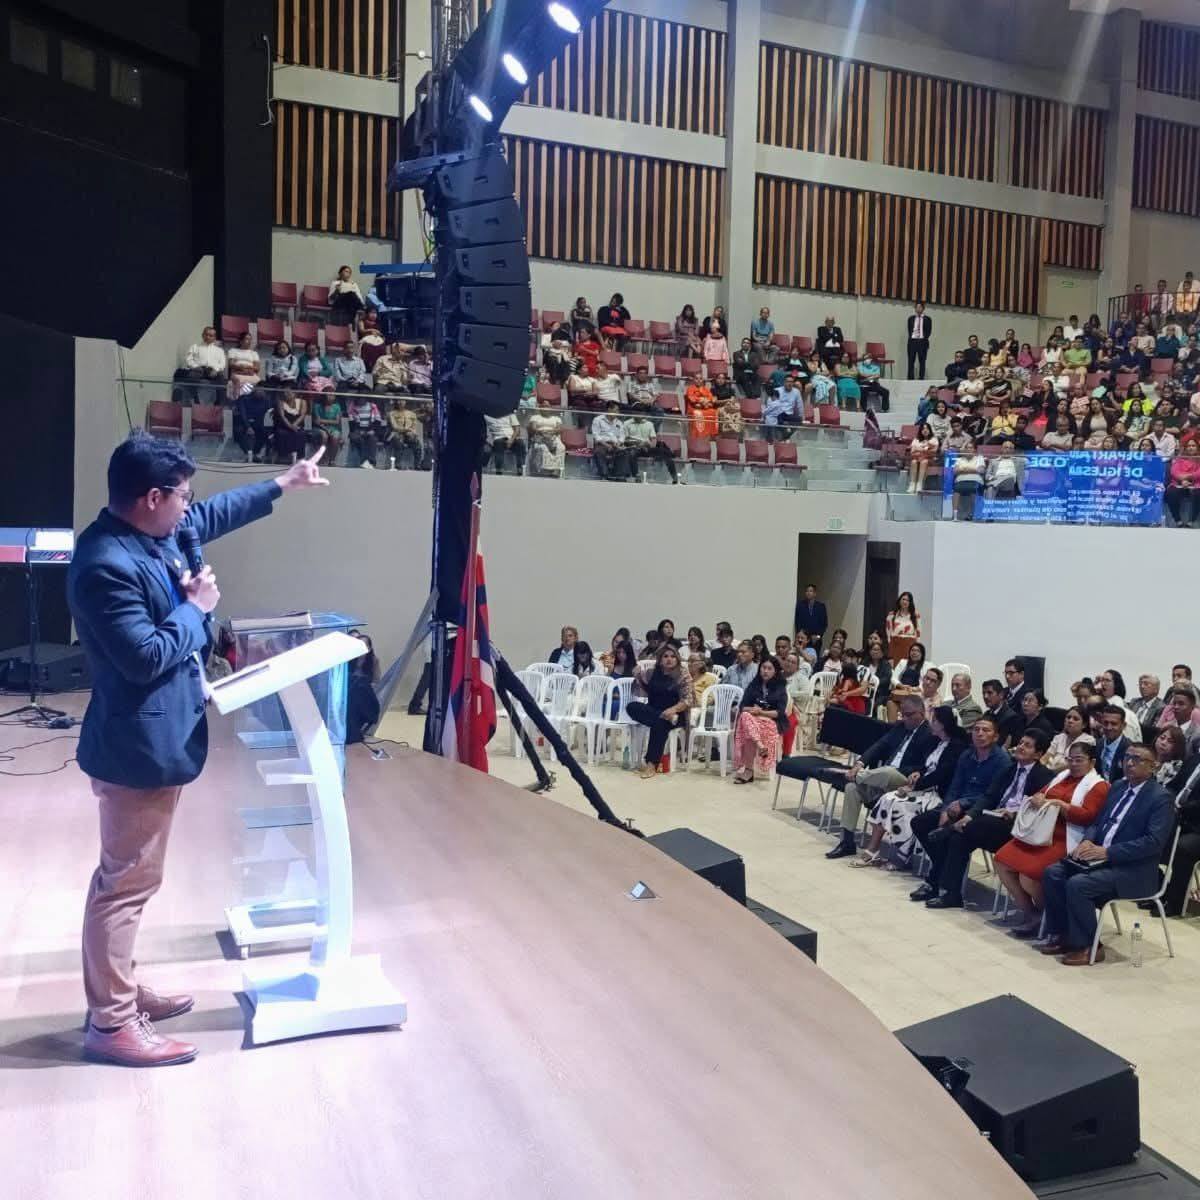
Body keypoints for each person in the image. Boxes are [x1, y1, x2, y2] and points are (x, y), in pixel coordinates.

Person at [67, 432, 328, 1066]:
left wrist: (283, 483)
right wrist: (196, 609)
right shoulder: (104, 563)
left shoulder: (153, 532)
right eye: (182, 495)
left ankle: (119, 990)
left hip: (156, 737)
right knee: (125, 885)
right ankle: (112, 1022)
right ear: (152, 498)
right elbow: (143, 657)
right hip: (135, 746)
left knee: (132, 878)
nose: (191, 506)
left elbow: (213, 514)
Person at [1039, 744, 1173, 964]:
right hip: (1101, 859)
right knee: (1053, 873)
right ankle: (1064, 935)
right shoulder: (1118, 786)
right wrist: (1087, 840)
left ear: (1153, 767)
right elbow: (1097, 822)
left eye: (1137, 759)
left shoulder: (1160, 798)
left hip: (1133, 870)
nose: (1130, 763)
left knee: (1078, 885)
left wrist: (1107, 852)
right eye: (1127, 757)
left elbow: (1153, 843)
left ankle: (1089, 946)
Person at [921, 730, 1056, 910]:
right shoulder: (1009, 769)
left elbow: (1037, 811)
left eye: (1027, 745)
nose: (1021, 747)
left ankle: (950, 832)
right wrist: (969, 816)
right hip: (992, 819)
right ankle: (951, 894)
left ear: (1038, 754)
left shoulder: (1045, 777)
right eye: (1021, 743)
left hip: (1015, 826)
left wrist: (1014, 813)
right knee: (958, 839)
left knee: (969, 828)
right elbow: (989, 797)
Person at [993, 739, 1109, 936]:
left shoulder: (1098, 786)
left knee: (1028, 875)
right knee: (1001, 860)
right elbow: (1040, 794)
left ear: (1092, 762)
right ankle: (1031, 913)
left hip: (1067, 837)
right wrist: (1038, 798)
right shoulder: (1062, 776)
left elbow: (1088, 817)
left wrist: (1060, 805)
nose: (1073, 764)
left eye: (1079, 760)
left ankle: (1052, 916)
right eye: (1070, 759)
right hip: (1040, 832)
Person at [908, 716, 1014, 903]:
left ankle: (943, 887)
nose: (980, 733)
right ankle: (940, 872)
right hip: (955, 806)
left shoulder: (1002, 761)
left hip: (980, 811)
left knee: (954, 836)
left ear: (996, 736)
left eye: (986, 730)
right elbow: (955, 786)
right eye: (976, 729)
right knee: (920, 822)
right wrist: (945, 809)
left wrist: (963, 803)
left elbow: (992, 795)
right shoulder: (967, 755)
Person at [824, 697, 936, 860]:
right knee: (852, 789)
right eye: (902, 714)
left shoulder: (929, 733)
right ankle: (847, 842)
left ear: (921, 713)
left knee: (888, 772)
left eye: (909, 715)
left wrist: (902, 772)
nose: (905, 718)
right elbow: (879, 745)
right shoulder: (900, 727)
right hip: (883, 778)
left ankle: (850, 775)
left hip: (905, 781)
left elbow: (925, 766)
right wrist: (859, 764)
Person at [627, 645, 694, 778]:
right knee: (631, 706)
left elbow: (688, 700)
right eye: (665, 656)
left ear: (677, 659)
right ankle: (661, 717)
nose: (669, 659)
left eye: (673, 656)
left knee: (660, 724)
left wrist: (673, 710)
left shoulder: (683, 674)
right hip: (655, 711)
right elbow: (642, 692)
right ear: (660, 659)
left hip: (676, 714)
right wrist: (638, 676)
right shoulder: (652, 672)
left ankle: (652, 764)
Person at [731, 656, 790, 783]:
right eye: (763, 667)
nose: (765, 671)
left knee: (747, 727)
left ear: (775, 671)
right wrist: (753, 710)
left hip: (771, 723)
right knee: (745, 717)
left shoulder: (780, 687)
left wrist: (761, 712)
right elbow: (742, 707)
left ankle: (748, 771)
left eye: (769, 668)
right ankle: (760, 746)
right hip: (753, 721)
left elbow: (779, 713)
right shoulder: (754, 685)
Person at [173, 326, 227, 404]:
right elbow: (189, 359)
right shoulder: (195, 347)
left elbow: (222, 364)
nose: (208, 337)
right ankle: (195, 399)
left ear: (214, 337)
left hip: (213, 371)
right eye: (206, 334)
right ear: (202, 335)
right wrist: (195, 367)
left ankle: (219, 403)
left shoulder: (219, 350)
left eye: (211, 335)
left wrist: (216, 370)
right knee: (191, 376)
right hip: (198, 370)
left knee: (221, 379)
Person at [624, 408, 679, 484]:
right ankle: (636, 476)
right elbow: (626, 439)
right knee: (632, 453)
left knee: (665, 452)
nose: (639, 415)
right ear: (633, 413)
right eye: (636, 413)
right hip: (634, 446)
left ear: (643, 414)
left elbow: (653, 439)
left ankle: (675, 478)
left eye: (640, 413)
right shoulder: (627, 423)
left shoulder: (649, 424)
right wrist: (637, 444)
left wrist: (650, 445)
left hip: (647, 447)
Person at [1044, 706, 1095, 772]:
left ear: (1084, 725)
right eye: (1068, 717)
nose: (1070, 721)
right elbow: (1046, 757)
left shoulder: (1088, 740)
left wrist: (1050, 772)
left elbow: (1070, 765)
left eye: (1075, 719)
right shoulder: (1059, 737)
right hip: (1049, 772)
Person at [232, 386, 272, 462]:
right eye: (258, 389)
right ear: (254, 389)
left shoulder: (266, 400)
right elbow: (243, 414)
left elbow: (269, 413)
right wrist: (248, 427)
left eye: (262, 390)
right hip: (244, 422)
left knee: (266, 432)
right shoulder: (244, 398)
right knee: (238, 431)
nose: (260, 391)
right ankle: (247, 453)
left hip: (259, 423)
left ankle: (255, 453)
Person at [1166, 439, 1200, 527]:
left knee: (1198, 494)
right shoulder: (1179, 459)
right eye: (1188, 446)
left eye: (1193, 446)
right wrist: (1182, 480)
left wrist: (1188, 477)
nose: (1191, 448)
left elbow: (1198, 473)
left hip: (1196, 484)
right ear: (1185, 448)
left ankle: (1192, 521)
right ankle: (1178, 520)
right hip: (1179, 483)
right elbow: (1174, 471)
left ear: (1197, 448)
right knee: (1170, 493)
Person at [591, 400, 627, 480]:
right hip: (602, 444)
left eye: (618, 411)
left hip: (615, 444)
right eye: (616, 410)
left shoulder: (619, 422)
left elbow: (622, 436)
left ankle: (619, 476)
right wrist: (606, 445)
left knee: (624, 452)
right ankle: (604, 475)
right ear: (609, 409)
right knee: (599, 452)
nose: (618, 412)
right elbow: (596, 435)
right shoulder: (598, 420)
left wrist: (619, 443)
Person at [386, 398, 425, 469]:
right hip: (395, 433)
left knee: (417, 443)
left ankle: (417, 465)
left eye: (402, 400)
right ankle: (398, 465)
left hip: (408, 434)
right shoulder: (392, 413)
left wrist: (411, 432)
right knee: (398, 442)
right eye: (399, 400)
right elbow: (395, 427)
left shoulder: (412, 414)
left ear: (405, 402)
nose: (400, 402)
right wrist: (406, 430)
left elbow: (414, 426)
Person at [527, 405, 566, 477]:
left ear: (550, 408)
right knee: (542, 447)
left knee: (561, 447)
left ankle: (556, 470)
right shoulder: (535, 417)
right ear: (540, 408)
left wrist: (551, 433)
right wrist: (542, 432)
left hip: (553, 436)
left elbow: (559, 429)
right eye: (543, 406)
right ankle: (545, 470)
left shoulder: (556, 418)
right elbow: (533, 428)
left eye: (547, 406)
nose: (545, 408)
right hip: (539, 435)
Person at [1096, 704, 1132, 782]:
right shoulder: (1098, 744)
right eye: (1105, 723)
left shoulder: (1130, 749)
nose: (1109, 728)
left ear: (1123, 725)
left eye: (1114, 724)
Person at [272, 390, 308, 463]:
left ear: (295, 393)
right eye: (285, 392)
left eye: (289, 392)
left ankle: (300, 457)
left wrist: (294, 425)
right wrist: (290, 426)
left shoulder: (302, 402)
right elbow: (282, 416)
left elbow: (302, 415)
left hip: (297, 425)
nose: (286, 394)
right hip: (284, 425)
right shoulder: (281, 402)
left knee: (301, 434)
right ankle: (283, 456)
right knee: (281, 433)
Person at [346, 395, 382, 468]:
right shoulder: (352, 407)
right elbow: (351, 423)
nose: (361, 400)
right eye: (359, 398)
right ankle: (364, 461)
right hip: (357, 430)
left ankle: (371, 462)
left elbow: (378, 420)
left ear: (366, 398)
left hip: (370, 429)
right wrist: (359, 432)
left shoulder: (373, 406)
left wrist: (373, 431)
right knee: (360, 440)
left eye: (362, 398)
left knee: (373, 439)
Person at [884, 592, 920, 664]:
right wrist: (891, 651)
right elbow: (889, 635)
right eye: (903, 599)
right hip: (896, 646)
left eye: (908, 600)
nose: (905, 602)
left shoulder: (915, 615)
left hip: (910, 646)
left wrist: (917, 649)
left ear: (910, 602)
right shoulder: (892, 615)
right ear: (899, 600)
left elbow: (918, 633)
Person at [310, 393, 344, 467]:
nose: (330, 397)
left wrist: (323, 421)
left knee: (335, 437)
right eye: (328, 395)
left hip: (333, 428)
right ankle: (323, 458)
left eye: (332, 395)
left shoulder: (337, 406)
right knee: (324, 436)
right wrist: (326, 428)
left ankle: (332, 460)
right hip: (319, 428)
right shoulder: (317, 406)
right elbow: (317, 422)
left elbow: (337, 422)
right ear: (324, 396)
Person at [225, 331, 261, 401]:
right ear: (241, 341)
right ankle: (237, 400)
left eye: (250, 339)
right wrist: (241, 368)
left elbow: (257, 368)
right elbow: (231, 364)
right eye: (247, 339)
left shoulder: (254, 353)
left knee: (258, 387)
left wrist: (246, 367)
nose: (249, 341)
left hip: (250, 374)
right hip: (237, 373)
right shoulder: (233, 350)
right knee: (237, 383)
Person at [793, 584, 828, 653]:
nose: (808, 593)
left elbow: (824, 624)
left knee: (814, 656)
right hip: (803, 639)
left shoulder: (821, 606)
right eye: (807, 591)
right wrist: (801, 636)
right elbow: (797, 622)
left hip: (816, 639)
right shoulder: (800, 605)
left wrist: (818, 636)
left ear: (815, 593)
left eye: (810, 591)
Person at [906, 422, 939, 494]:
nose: (925, 430)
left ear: (930, 430)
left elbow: (934, 451)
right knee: (913, 462)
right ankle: (912, 484)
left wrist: (919, 449)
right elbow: (912, 452)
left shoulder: (934, 439)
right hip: (917, 458)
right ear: (920, 431)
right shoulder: (916, 439)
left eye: (927, 428)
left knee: (924, 462)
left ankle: (920, 484)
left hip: (930, 459)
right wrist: (923, 450)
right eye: (923, 429)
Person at [906, 301, 931, 380]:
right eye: (916, 307)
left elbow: (929, 331)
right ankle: (910, 377)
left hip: (922, 341)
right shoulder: (911, 318)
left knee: (922, 361)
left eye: (920, 307)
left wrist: (923, 338)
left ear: (923, 308)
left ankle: (921, 377)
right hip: (912, 341)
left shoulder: (927, 319)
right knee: (911, 360)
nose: (918, 309)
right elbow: (910, 330)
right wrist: (913, 338)